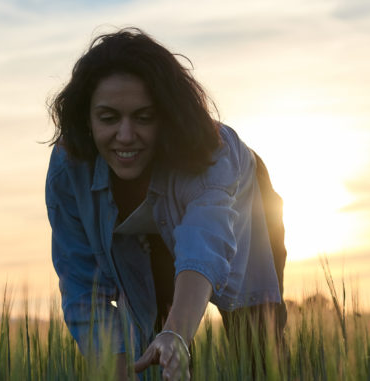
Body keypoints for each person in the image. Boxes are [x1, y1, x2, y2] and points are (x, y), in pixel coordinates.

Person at [45, 28, 286, 380]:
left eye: (144, 117)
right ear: (87, 119)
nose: (126, 136)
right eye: (109, 118)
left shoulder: (211, 153)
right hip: (143, 237)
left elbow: (206, 242)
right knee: (149, 348)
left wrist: (176, 335)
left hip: (246, 208)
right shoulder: (69, 168)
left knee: (257, 346)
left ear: (167, 117)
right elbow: (82, 285)